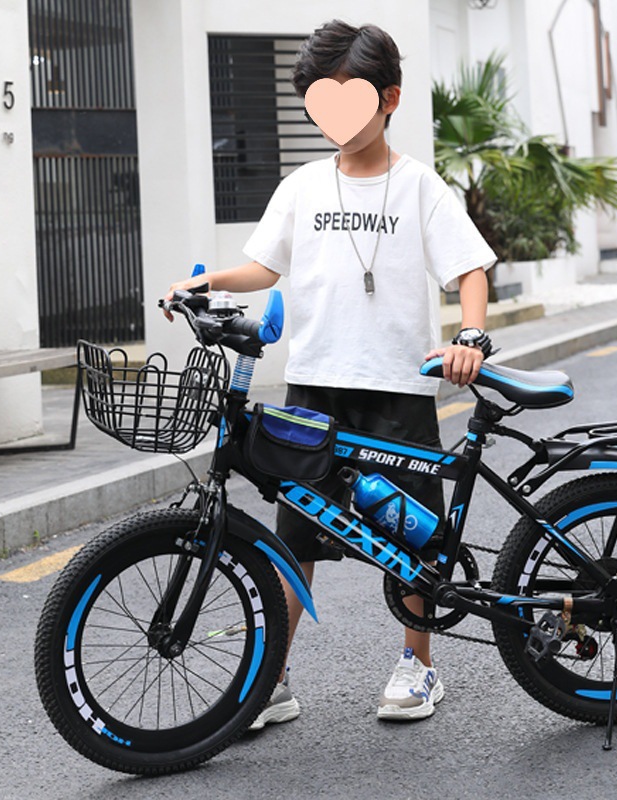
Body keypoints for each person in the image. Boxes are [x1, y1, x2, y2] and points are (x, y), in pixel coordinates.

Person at [165, 19, 496, 724]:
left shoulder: (419, 187)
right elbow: (264, 266)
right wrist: (208, 281)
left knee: (411, 533)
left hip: (396, 385)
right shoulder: (303, 186)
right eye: (321, 102)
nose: (333, 119)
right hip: (315, 383)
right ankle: (275, 677)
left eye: (349, 100)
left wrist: (470, 335)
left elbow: (470, 268)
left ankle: (418, 666)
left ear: (390, 99)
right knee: (296, 538)